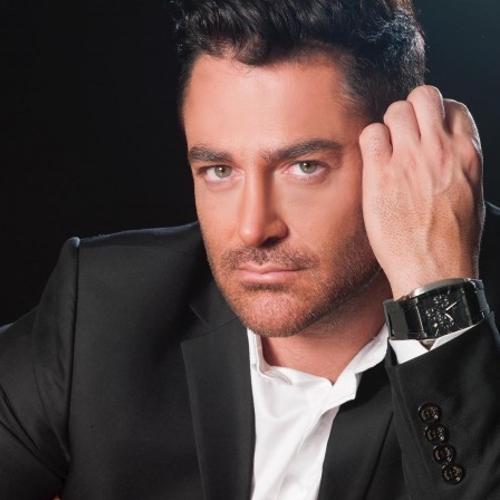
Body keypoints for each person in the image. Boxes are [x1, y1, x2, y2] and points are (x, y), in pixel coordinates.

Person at [1, 0, 499, 498]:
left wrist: (437, 300)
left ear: (406, 153)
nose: (252, 228)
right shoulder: (103, 307)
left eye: (304, 167)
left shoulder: (478, 337)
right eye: (220, 170)